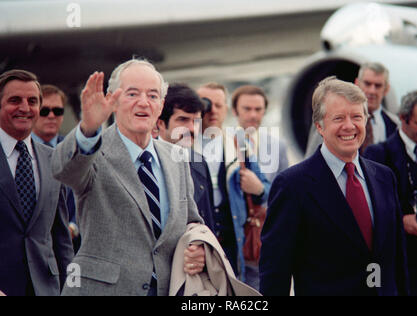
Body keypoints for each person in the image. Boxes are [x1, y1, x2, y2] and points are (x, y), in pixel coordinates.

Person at [51, 59, 206, 296]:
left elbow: (191, 220)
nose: (143, 102)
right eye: (132, 93)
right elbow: (64, 170)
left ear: (161, 105)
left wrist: (197, 243)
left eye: (153, 96)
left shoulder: (177, 158)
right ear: (112, 99)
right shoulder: (94, 151)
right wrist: (88, 129)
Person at [260, 77, 408, 296]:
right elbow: (275, 272)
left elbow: (397, 260)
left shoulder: (385, 177)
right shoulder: (293, 185)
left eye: (357, 117)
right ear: (319, 126)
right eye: (338, 118)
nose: (349, 126)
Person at [364, 90, 417, 296]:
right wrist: (402, 220)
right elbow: (370, 206)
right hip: (402, 257)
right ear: (403, 118)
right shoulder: (378, 154)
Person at [0, 69, 73, 296]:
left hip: (46, 289)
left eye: (32, 101)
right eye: (14, 100)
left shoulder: (53, 159)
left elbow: (61, 237)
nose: (24, 108)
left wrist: (70, 289)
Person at [197, 83, 270, 289]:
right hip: (198, 242)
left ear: (227, 110)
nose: (212, 110)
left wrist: (258, 189)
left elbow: (269, 190)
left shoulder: (238, 145)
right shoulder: (183, 145)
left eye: (219, 105)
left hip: (233, 242)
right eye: (206, 104)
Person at [157, 82, 215, 233]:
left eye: (196, 121)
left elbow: (208, 222)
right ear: (161, 124)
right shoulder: (148, 162)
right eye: (183, 119)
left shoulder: (199, 162)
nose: (191, 128)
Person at [31, 84, 80, 253]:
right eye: (45, 111)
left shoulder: (76, 149)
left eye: (57, 111)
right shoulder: (19, 150)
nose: (51, 116)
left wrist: (73, 226)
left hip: (70, 247)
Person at [231, 85, 290, 183]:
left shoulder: (279, 146)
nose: (253, 115)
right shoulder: (222, 144)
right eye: (247, 109)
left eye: (258, 109)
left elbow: (284, 188)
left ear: (264, 111)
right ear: (234, 111)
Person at [355, 62, 398, 152]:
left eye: (378, 86)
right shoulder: (339, 121)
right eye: (367, 84)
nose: (372, 91)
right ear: (357, 84)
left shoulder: (395, 126)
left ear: (386, 89)